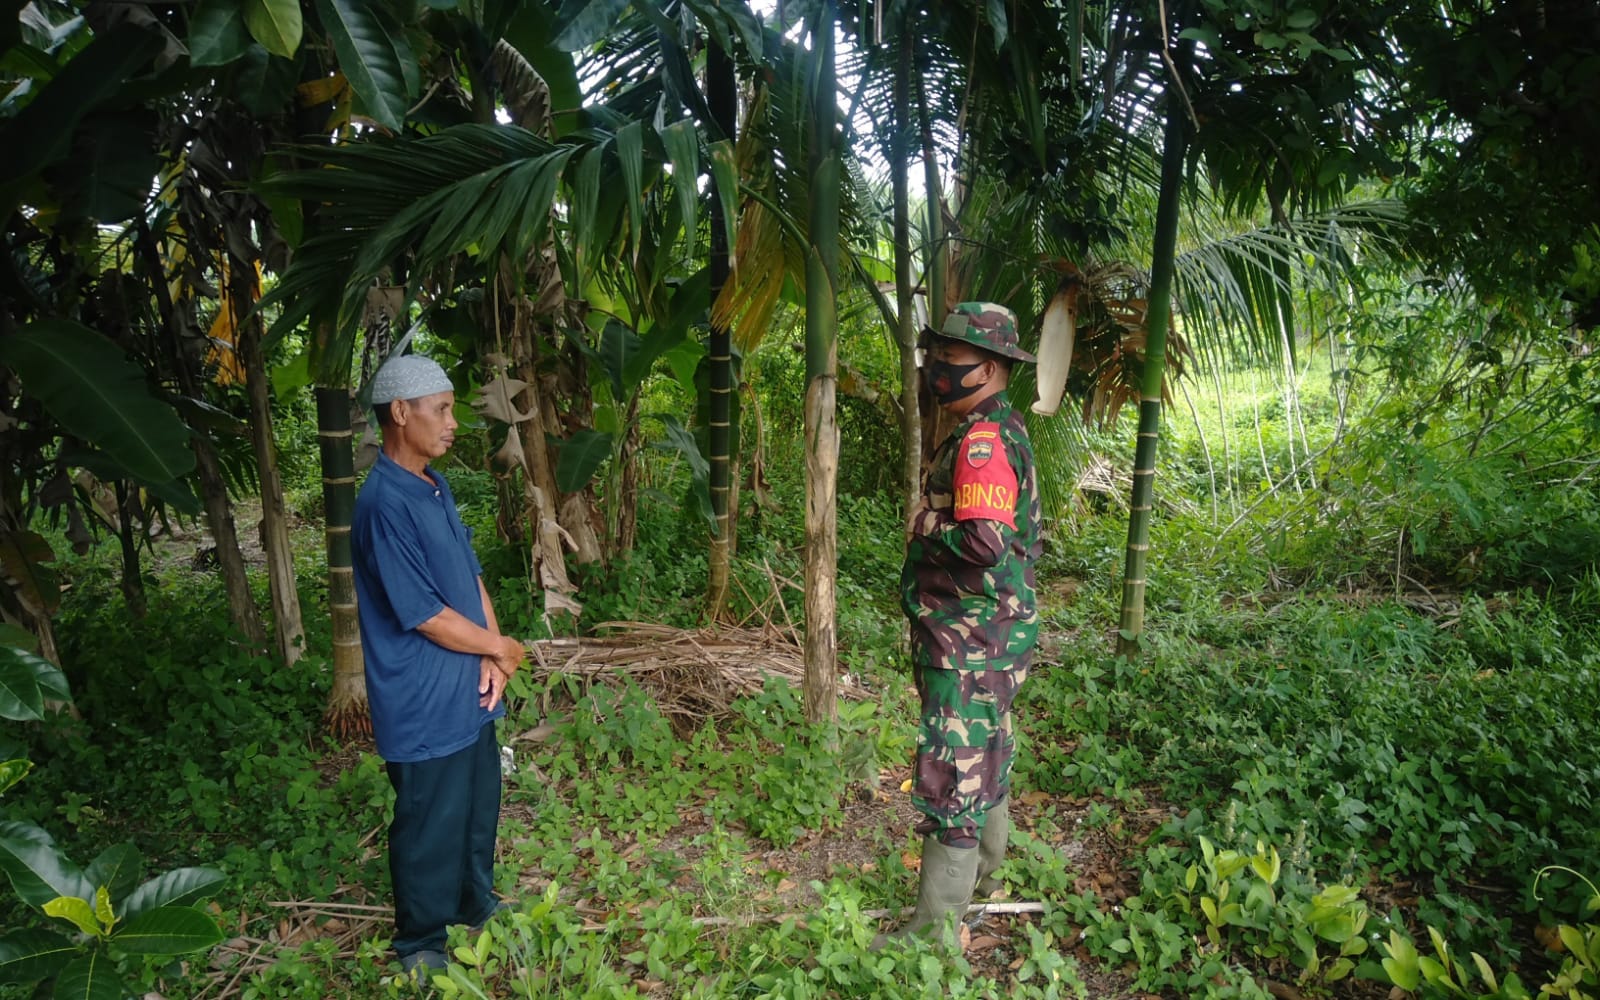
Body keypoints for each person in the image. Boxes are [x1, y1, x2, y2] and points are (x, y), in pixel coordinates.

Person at [351, 354, 526, 976]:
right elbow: (423, 613)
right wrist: (496, 649)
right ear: (402, 412)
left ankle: (475, 906)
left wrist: (498, 652)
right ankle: (420, 942)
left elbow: (469, 573)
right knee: (429, 822)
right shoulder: (382, 504)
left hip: (471, 686)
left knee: (479, 806)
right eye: (443, 409)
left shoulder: (432, 483)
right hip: (422, 697)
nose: (453, 422)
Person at [884, 302, 1042, 946]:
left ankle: (933, 933)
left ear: (995, 366)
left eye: (951, 359)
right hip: (990, 638)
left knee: (953, 770)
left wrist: (923, 525)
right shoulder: (995, 429)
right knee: (988, 755)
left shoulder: (982, 441)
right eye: (938, 357)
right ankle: (983, 878)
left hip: (968, 642)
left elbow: (982, 544)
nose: (938, 371)